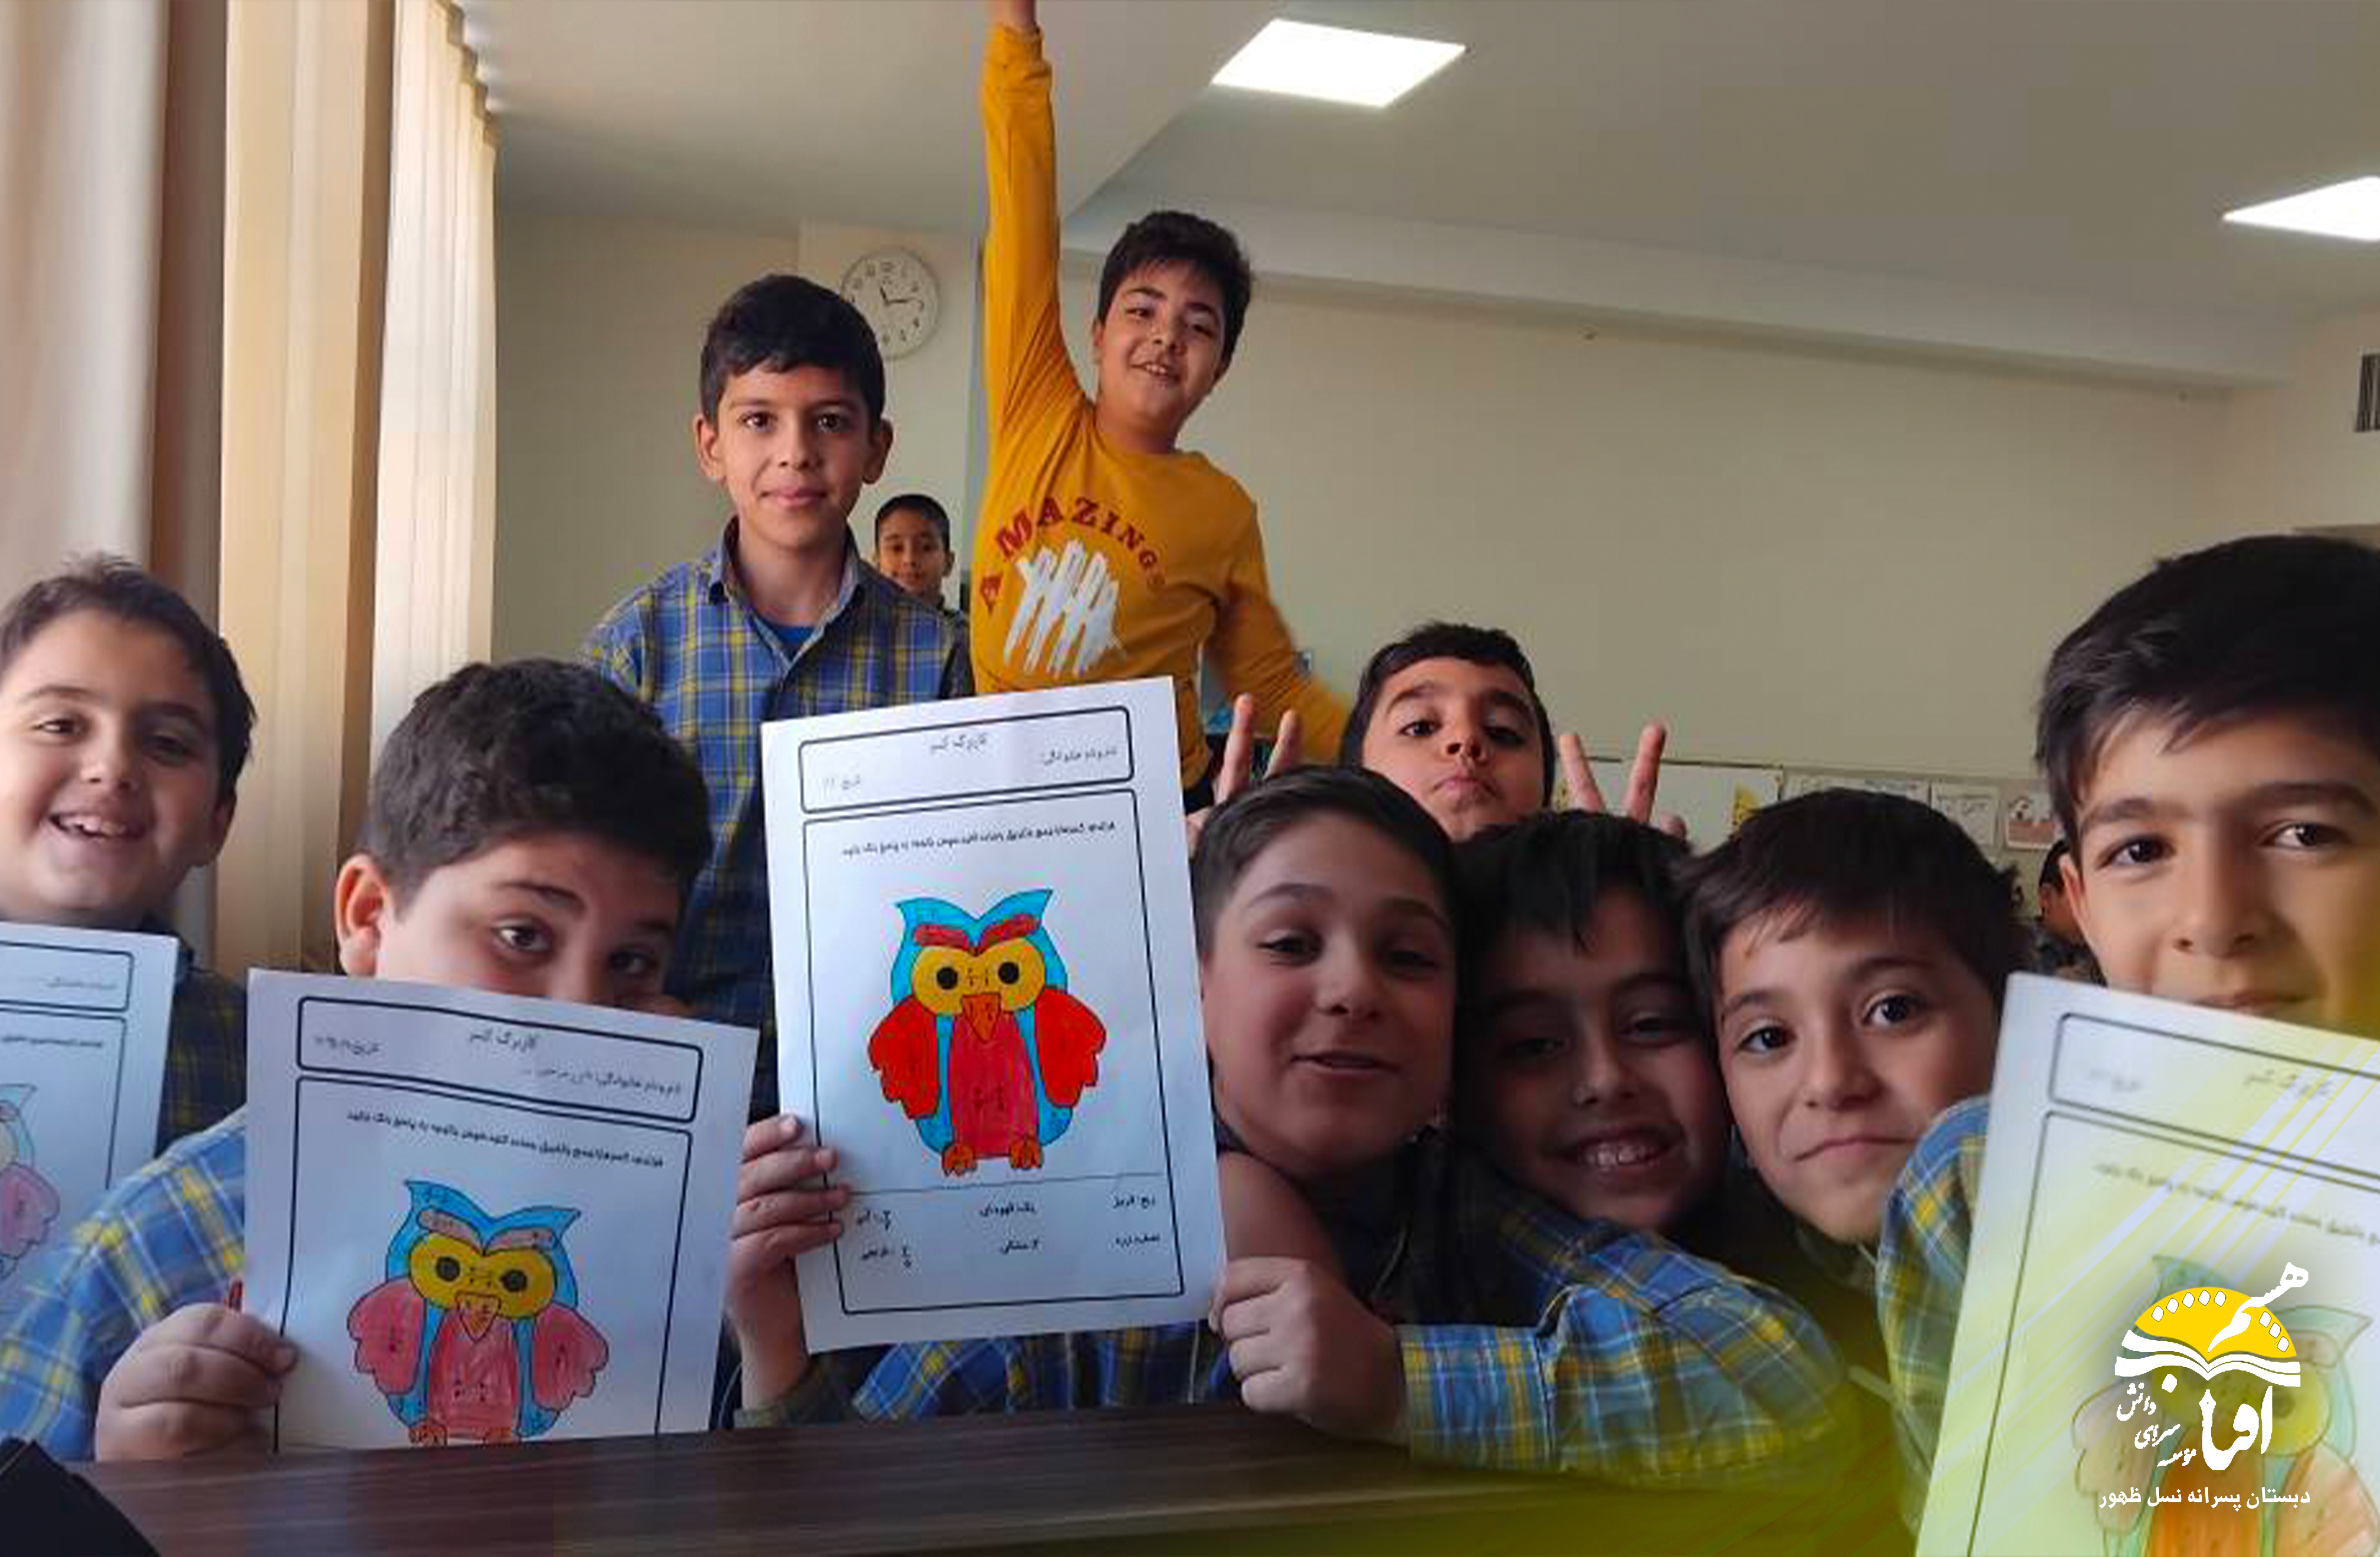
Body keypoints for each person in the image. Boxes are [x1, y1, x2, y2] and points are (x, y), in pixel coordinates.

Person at [734, 768, 1855, 1489]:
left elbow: (1773, 1371)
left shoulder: (1461, 1204)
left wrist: (1396, 1379)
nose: (1354, 989)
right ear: (1188, 982)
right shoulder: (1073, 1231)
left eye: (1409, 956)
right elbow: (848, 1495)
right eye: (1289, 943)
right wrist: (780, 1349)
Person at [0, 660, 711, 1460]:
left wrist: (766, 1339)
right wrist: (130, 1479)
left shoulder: (680, 1251)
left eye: (630, 963)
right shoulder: (162, 1236)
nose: (578, 1012)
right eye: (522, 936)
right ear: (369, 919)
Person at [1878, 533, 2380, 1527]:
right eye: (2141, 848)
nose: (2213, 918)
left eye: (2303, 833)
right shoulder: (1978, 1176)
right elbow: (1949, 1505)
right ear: (2077, 899)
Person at [585, 274, 969, 1114]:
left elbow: (963, 865)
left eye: (830, 421)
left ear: (876, 448)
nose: (796, 451)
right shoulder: (637, 644)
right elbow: (584, 871)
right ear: (710, 444)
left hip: (871, 1071)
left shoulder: (938, 655)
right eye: (759, 420)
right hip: (670, 1063)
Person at [968, 0, 1345, 804]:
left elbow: (1271, 682)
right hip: (1001, 793)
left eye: (1198, 325)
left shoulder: (1222, 512)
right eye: (1142, 311)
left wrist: (1398, 739)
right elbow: (1022, 217)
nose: (1167, 336)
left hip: (1153, 809)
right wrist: (1016, 35)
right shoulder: (1036, 405)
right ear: (1098, 333)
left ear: (1220, 369)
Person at [0, 557, 255, 1149]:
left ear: (216, 821)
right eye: (60, 725)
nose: (112, 767)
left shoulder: (254, 1052)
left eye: (167, 743)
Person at [872, 492, 960, 617]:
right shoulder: (858, 625)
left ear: (948, 563)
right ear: (877, 563)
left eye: (926, 548)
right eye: (897, 548)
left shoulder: (973, 628)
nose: (909, 559)